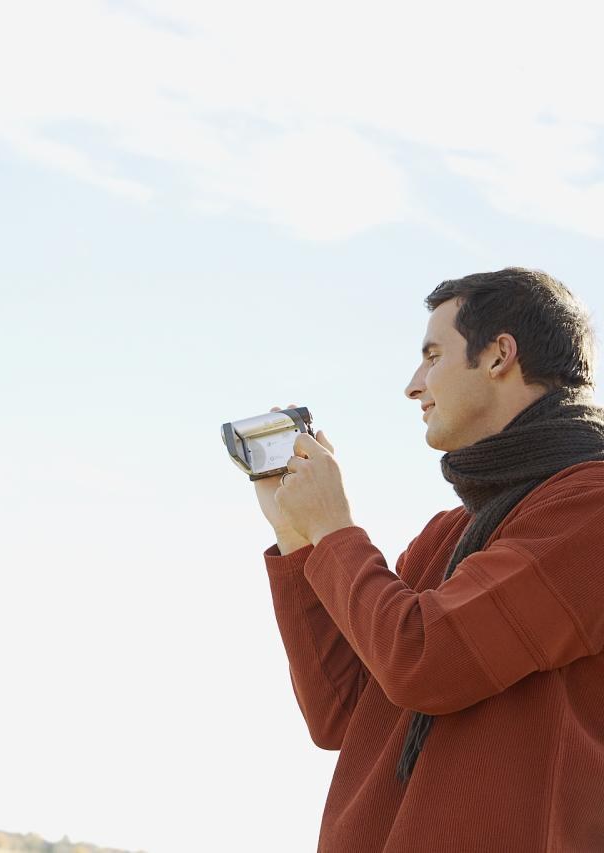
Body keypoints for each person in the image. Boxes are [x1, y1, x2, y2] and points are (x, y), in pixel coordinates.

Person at [254, 268, 604, 851]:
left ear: (499, 356)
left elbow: (425, 660)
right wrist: (299, 533)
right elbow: (343, 712)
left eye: (433, 355)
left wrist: (335, 528)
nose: (414, 386)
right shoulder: (451, 532)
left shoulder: (589, 510)